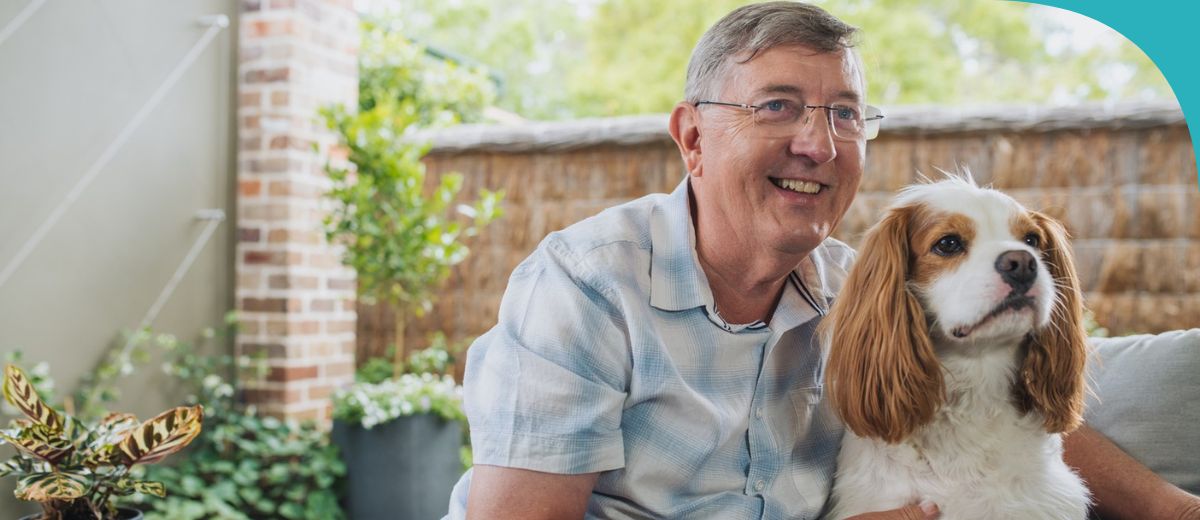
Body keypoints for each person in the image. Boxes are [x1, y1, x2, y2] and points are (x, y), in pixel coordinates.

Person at [444, 2, 1200, 519]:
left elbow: (1004, 410)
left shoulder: (860, 289)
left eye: (844, 113)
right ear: (694, 138)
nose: (819, 143)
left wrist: (1169, 508)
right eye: (775, 106)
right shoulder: (582, 287)